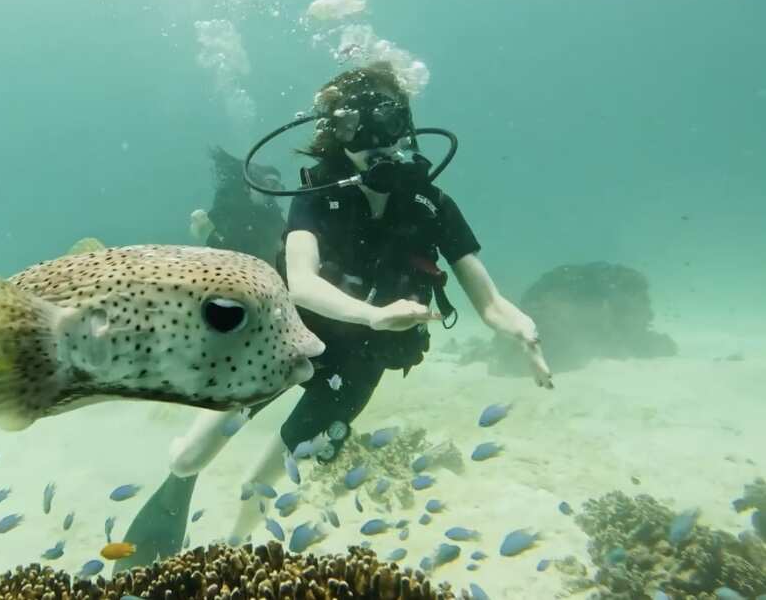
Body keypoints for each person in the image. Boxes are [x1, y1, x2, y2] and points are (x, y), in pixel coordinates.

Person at [114, 62, 553, 571]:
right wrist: (373, 314)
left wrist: (523, 329)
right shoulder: (315, 198)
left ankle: (229, 554)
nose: (374, 142)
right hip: (286, 338)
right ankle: (176, 488)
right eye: (355, 129)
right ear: (335, 136)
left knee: (266, 478)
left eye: (387, 124)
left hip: (362, 363)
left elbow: (491, 301)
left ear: (405, 126)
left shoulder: (432, 205)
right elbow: (300, 282)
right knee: (190, 456)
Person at [188, 145, 287, 263]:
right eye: (271, 184)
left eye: (278, 187)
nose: (272, 192)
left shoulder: (273, 215)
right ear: (251, 184)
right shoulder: (229, 205)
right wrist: (205, 230)